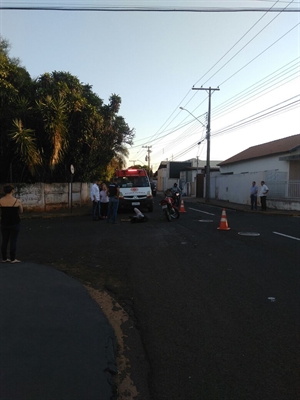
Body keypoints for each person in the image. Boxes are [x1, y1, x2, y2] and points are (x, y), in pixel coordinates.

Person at [0, 184, 23, 263]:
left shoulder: (0, 200)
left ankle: (4, 258)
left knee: (4, 240)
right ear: (12, 191)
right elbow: (21, 211)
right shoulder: (17, 201)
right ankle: (13, 259)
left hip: (4, 223)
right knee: (13, 240)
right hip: (15, 223)